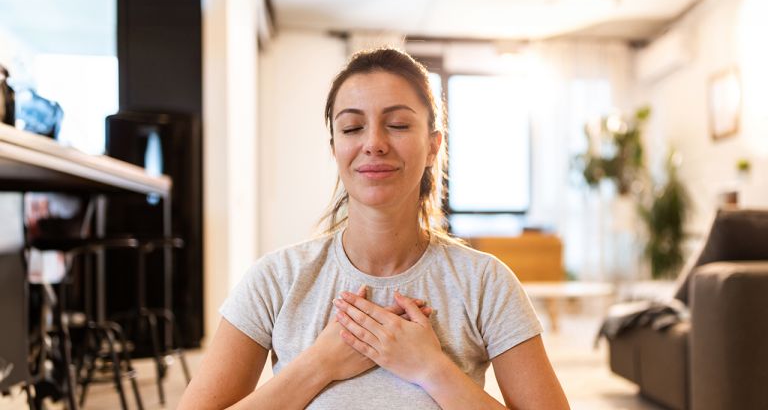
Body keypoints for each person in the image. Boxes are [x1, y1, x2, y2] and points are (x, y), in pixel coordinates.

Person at [179, 48, 569, 409]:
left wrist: (432, 370)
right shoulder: (276, 279)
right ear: (334, 148)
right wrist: (319, 364)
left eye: (397, 124)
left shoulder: (485, 282)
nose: (374, 143)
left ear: (434, 145)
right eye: (352, 128)